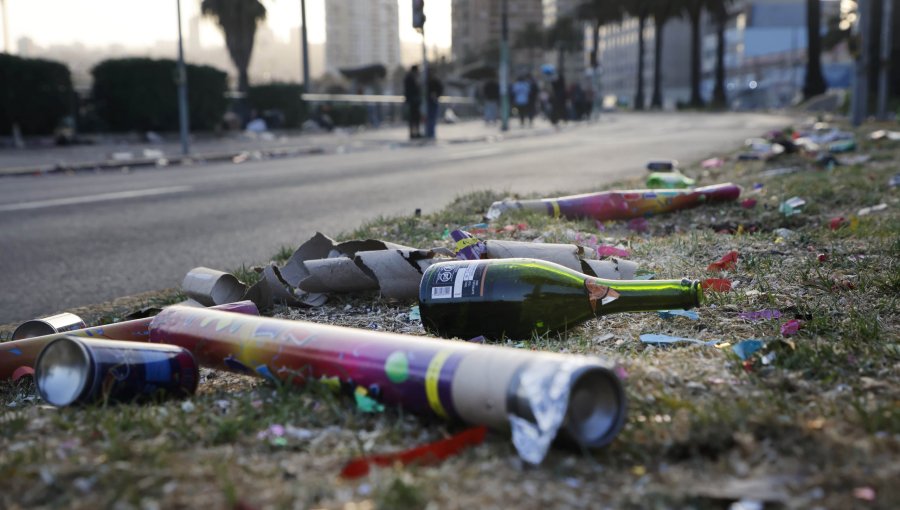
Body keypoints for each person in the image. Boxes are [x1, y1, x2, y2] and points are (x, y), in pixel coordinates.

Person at [404, 65, 422, 139]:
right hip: (413, 101)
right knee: (414, 118)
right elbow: (413, 89)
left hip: (413, 100)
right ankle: (414, 133)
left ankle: (414, 133)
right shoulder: (411, 78)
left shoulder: (409, 78)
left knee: (414, 118)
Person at [425, 73, 443, 139]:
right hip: (430, 102)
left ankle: (430, 133)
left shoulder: (432, 82)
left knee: (432, 118)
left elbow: (440, 89)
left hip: (433, 102)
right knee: (431, 118)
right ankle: (430, 133)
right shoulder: (430, 82)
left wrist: (436, 95)